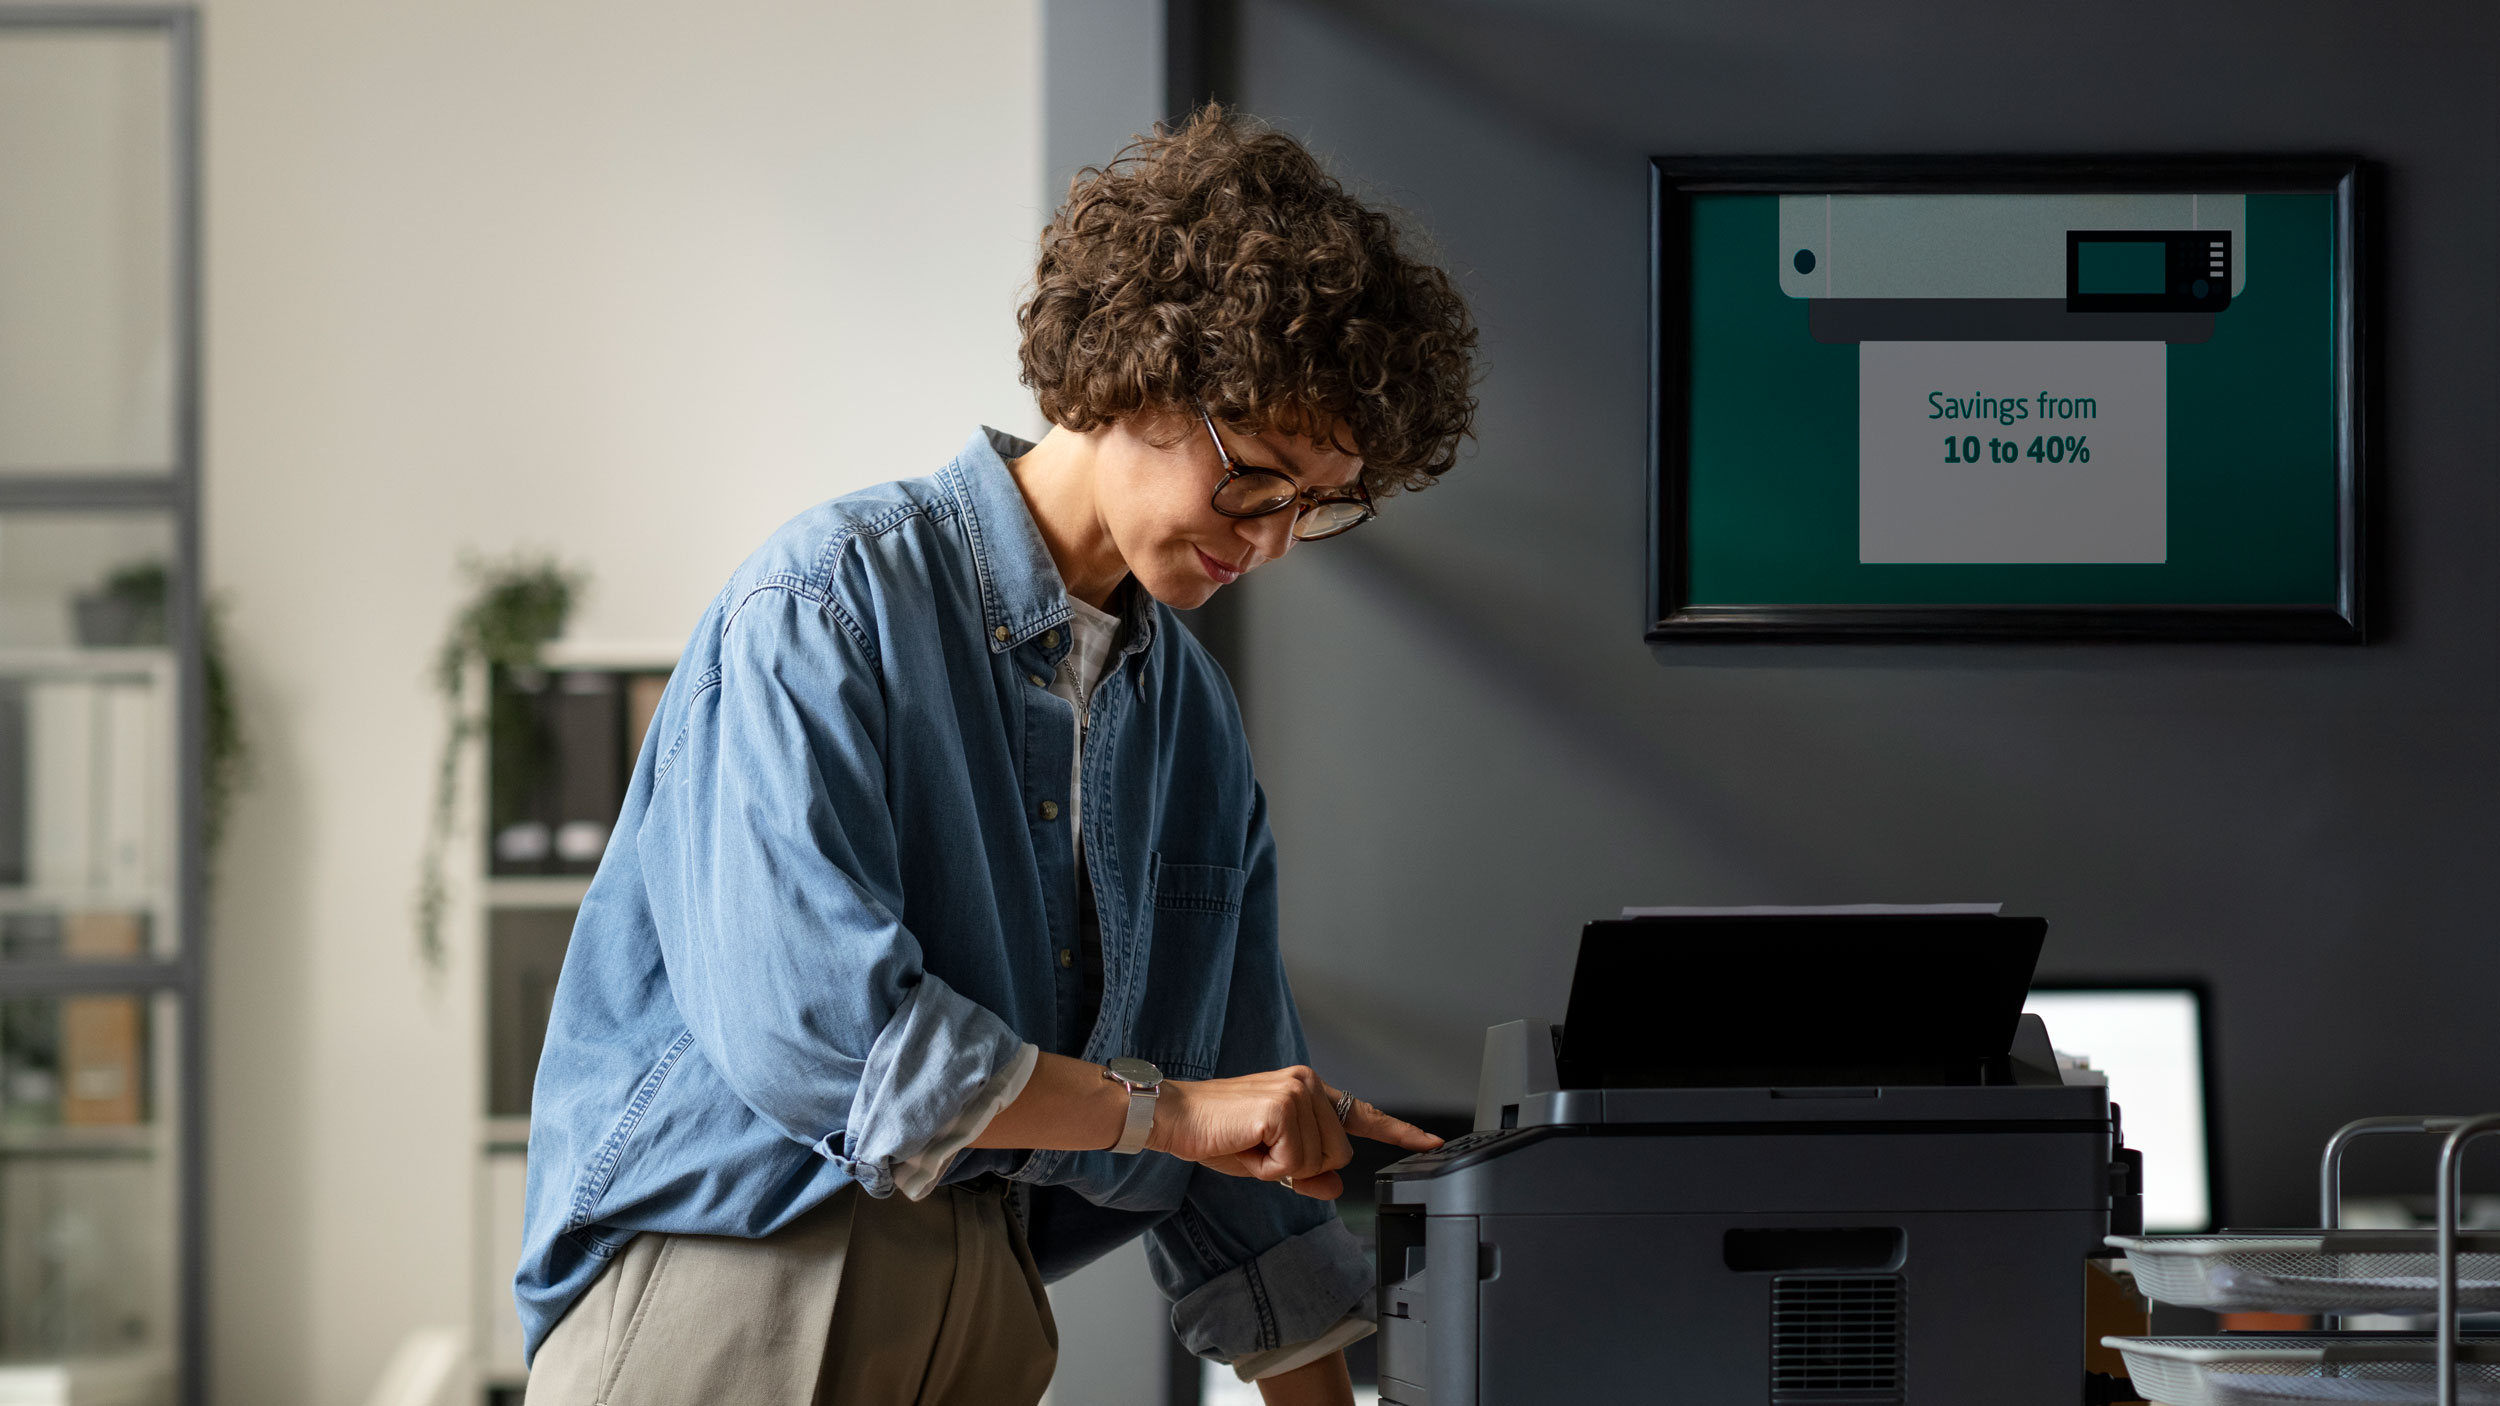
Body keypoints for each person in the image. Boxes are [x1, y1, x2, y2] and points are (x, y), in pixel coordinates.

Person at [515, 104, 1479, 1406]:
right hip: (742, 1282)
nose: (1271, 540)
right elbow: (822, 1036)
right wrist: (1163, 1113)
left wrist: (1216, 1137)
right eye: (1255, 478)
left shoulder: (1190, 725)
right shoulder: (828, 605)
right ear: (1142, 370)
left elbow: (1241, 1159)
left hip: (985, 1316)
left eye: (1316, 505)